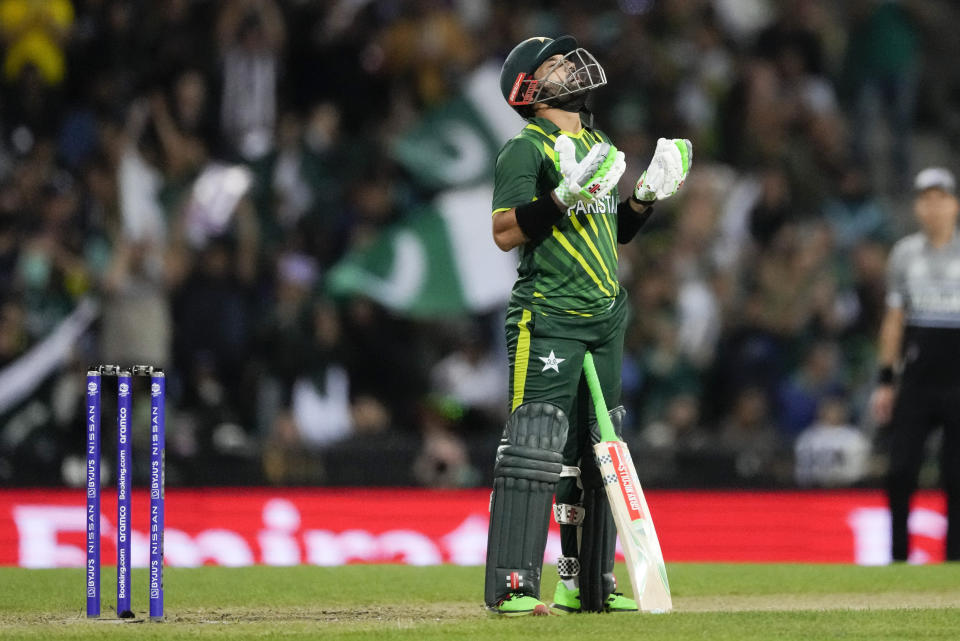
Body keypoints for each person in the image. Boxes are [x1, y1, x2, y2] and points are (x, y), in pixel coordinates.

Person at [483, 35, 691, 615]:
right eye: (554, 63)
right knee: (534, 447)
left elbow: (614, 232)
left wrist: (645, 198)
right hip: (547, 314)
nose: (571, 66)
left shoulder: (597, 141)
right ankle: (513, 587)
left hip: (604, 317)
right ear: (530, 88)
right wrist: (563, 195)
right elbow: (504, 231)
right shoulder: (525, 148)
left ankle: (585, 583)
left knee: (598, 451)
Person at [870, 167, 960, 562]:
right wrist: (886, 380)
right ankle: (899, 558)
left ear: (954, 205)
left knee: (956, 476)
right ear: (917, 207)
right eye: (926, 199)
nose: (934, 207)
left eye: (941, 198)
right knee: (901, 470)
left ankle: (954, 560)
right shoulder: (905, 254)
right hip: (919, 380)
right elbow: (894, 320)